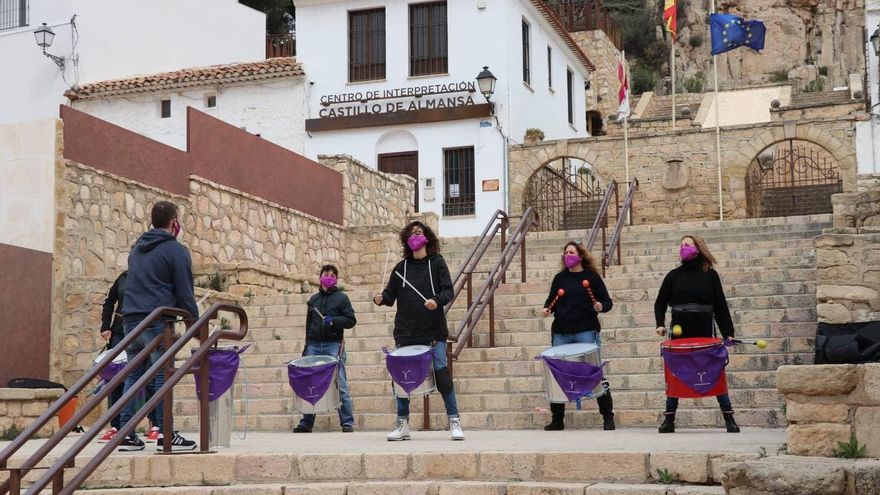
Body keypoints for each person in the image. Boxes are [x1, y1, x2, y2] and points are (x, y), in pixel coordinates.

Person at [117, 201, 199, 451]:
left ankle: (126, 433)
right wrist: (195, 323)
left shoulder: (136, 250)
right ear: (174, 222)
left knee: (135, 374)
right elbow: (185, 292)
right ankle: (166, 433)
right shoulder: (176, 251)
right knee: (163, 375)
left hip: (131, 319)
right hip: (157, 320)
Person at [373, 220, 463, 441]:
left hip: (433, 331)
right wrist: (380, 299)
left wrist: (436, 301)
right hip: (406, 332)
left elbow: (448, 291)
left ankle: (454, 421)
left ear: (427, 237)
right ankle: (402, 425)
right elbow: (390, 295)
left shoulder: (437, 262)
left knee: (442, 377)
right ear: (406, 239)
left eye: (419, 232)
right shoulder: (400, 268)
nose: (415, 236)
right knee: (401, 381)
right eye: (412, 233)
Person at [654, 234, 740, 434]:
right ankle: (669, 419)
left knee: (715, 371)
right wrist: (659, 324)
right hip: (679, 332)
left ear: (698, 248)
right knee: (675, 371)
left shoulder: (710, 275)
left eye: (687, 244)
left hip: (704, 330)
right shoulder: (673, 275)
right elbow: (660, 302)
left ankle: (729, 417)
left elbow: (720, 306)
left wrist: (728, 332)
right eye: (681, 245)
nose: (683, 247)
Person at [541, 241, 615, 431]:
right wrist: (547, 308)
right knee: (558, 374)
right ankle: (557, 420)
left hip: (586, 331)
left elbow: (607, 302)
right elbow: (551, 301)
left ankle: (608, 416)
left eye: (571, 252)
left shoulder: (592, 277)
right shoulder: (560, 278)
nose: (568, 256)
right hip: (561, 332)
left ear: (580, 256)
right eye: (566, 253)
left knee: (594, 372)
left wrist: (601, 306)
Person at [96, 271, 160, 444]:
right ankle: (116, 426)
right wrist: (105, 326)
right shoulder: (123, 278)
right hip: (120, 332)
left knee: (150, 377)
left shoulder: (151, 274)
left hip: (146, 330)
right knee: (115, 379)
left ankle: (155, 424)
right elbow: (109, 302)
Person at [293, 264, 357, 433]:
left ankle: (347, 421)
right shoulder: (313, 300)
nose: (329, 277)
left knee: (339, 383)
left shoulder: (342, 298)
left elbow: (351, 320)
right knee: (309, 382)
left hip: (333, 345)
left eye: (333, 275)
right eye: (326, 274)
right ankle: (306, 423)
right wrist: (306, 346)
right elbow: (308, 325)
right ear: (320, 277)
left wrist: (334, 321)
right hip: (313, 345)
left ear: (337, 279)